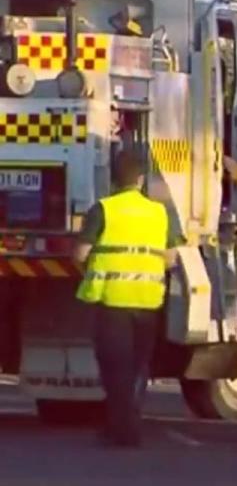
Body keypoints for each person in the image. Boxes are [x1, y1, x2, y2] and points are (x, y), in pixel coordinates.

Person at [74, 150, 184, 448]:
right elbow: (171, 258)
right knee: (137, 367)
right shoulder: (160, 212)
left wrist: (95, 269)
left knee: (115, 368)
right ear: (140, 179)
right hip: (148, 303)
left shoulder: (104, 209)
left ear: (113, 178)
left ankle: (122, 429)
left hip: (112, 303)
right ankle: (125, 424)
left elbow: (81, 254)